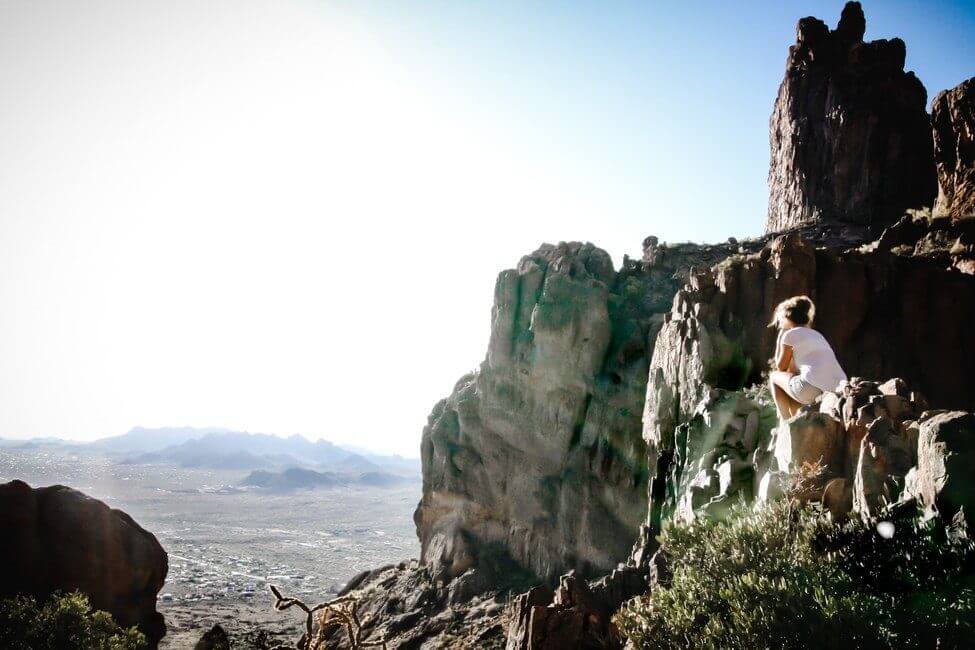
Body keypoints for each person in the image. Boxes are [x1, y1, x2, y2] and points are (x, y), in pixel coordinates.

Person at [768, 296, 847, 420]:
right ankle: (795, 419)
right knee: (793, 381)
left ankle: (785, 423)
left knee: (774, 377)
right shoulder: (817, 334)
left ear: (787, 316)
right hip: (836, 390)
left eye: (781, 319)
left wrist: (779, 339)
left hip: (811, 388)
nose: (780, 323)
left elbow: (781, 367)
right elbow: (792, 372)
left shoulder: (789, 334)